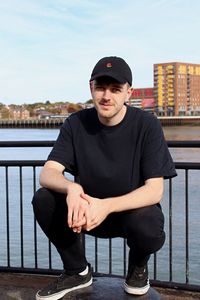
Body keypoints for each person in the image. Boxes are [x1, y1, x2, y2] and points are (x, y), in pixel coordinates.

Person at [32, 56, 177, 300]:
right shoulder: (76, 123)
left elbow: (154, 190)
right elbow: (48, 172)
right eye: (100, 87)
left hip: (130, 215)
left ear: (128, 93)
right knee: (43, 199)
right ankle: (77, 271)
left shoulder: (146, 124)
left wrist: (107, 205)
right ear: (91, 88)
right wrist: (72, 188)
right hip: (86, 213)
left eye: (115, 89)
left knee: (149, 223)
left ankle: (137, 270)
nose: (106, 96)